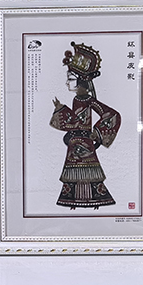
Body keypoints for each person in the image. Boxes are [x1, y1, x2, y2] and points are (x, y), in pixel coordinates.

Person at [50, 42, 121, 210]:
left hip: (85, 142)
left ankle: (94, 199)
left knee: (89, 172)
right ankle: (74, 200)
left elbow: (111, 114)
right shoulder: (77, 99)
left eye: (70, 79)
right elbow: (75, 120)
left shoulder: (89, 100)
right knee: (75, 172)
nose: (67, 83)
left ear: (81, 82)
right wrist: (61, 109)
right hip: (75, 142)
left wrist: (97, 133)